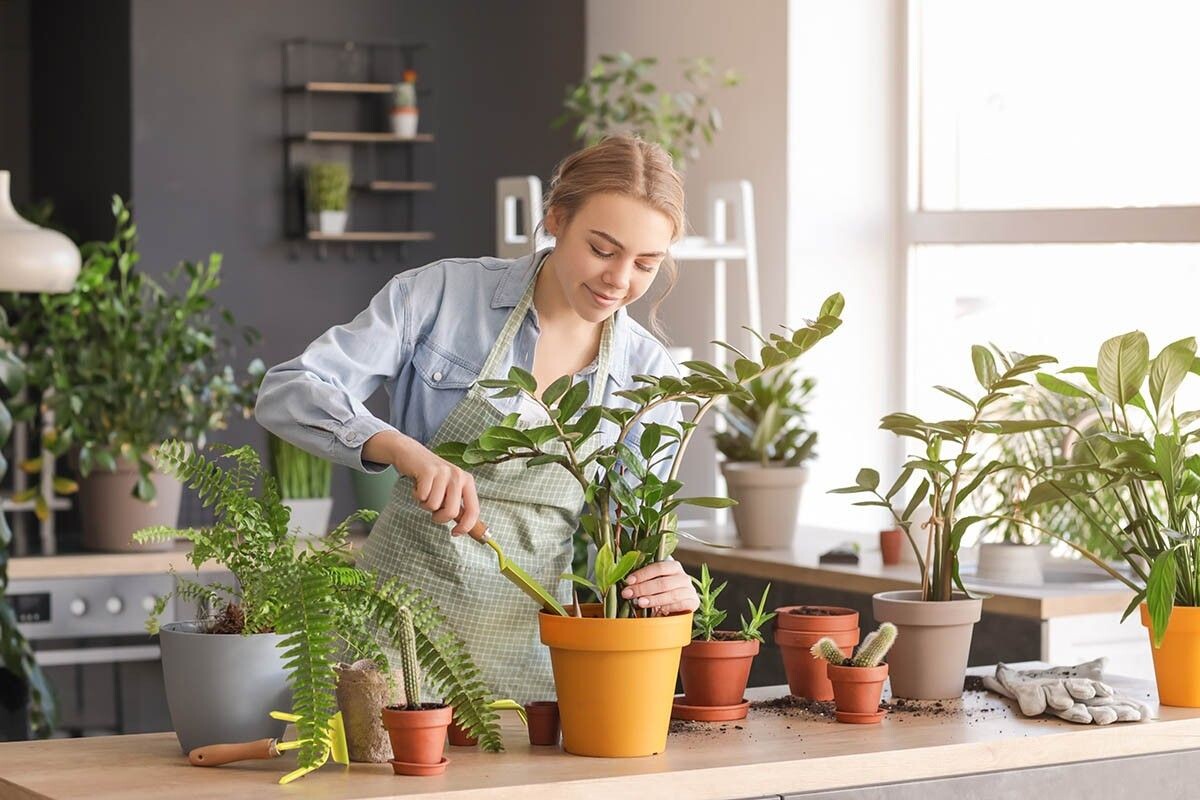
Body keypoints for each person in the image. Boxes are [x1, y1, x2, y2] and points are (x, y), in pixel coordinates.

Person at [255, 135, 699, 702]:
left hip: (535, 649)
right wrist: (399, 449)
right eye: (603, 249)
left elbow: (636, 530)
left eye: (645, 264)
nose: (619, 279)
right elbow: (290, 389)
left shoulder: (648, 373)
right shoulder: (441, 294)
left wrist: (665, 578)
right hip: (395, 632)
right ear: (556, 220)